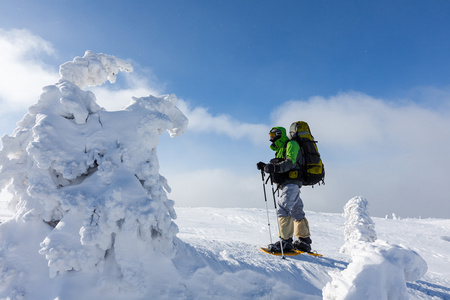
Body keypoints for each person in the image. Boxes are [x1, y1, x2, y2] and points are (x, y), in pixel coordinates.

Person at [257, 126, 312, 252]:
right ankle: (304, 242)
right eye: (269, 136)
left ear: (279, 134)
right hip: (289, 182)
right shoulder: (281, 148)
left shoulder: (291, 144)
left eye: (272, 135)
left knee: (283, 207)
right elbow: (280, 164)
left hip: (292, 182)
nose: (271, 138)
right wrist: (266, 166)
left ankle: (286, 242)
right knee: (296, 210)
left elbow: (290, 162)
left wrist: (274, 168)